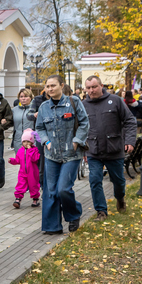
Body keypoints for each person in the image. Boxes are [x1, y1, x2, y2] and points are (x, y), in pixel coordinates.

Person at [35, 75, 90, 235]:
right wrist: (46, 141)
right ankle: (52, 226)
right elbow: (39, 128)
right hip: (51, 155)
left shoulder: (74, 102)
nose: (50, 89)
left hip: (71, 154)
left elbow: (85, 122)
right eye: (47, 86)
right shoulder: (44, 107)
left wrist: (76, 140)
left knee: (63, 189)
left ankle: (73, 214)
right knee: (50, 190)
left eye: (53, 85)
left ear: (61, 85)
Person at [82, 75, 136, 221]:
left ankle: (120, 198)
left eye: (94, 87)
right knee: (94, 180)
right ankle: (101, 211)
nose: (91, 91)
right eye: (88, 88)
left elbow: (130, 121)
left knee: (118, 181)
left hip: (114, 149)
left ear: (101, 86)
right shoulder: (83, 105)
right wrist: (82, 150)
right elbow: (79, 129)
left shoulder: (115, 101)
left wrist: (130, 141)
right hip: (93, 150)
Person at [9, 128, 41, 209]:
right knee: (20, 185)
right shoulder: (20, 151)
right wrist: (12, 161)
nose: (26, 143)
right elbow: (18, 160)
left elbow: (35, 159)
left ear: (32, 142)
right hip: (22, 173)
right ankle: (18, 199)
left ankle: (35, 199)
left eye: (28, 141)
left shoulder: (35, 150)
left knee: (33, 186)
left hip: (32, 173)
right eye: (24, 141)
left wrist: (30, 150)